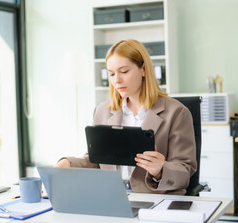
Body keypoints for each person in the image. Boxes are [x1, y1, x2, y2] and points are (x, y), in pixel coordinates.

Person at [56, 39, 197, 195]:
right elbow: (96, 161)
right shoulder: (102, 111)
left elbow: (185, 172)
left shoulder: (176, 112)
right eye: (111, 74)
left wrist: (160, 170)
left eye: (124, 71)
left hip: (155, 199)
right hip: (111, 195)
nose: (117, 80)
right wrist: (68, 163)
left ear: (143, 70)